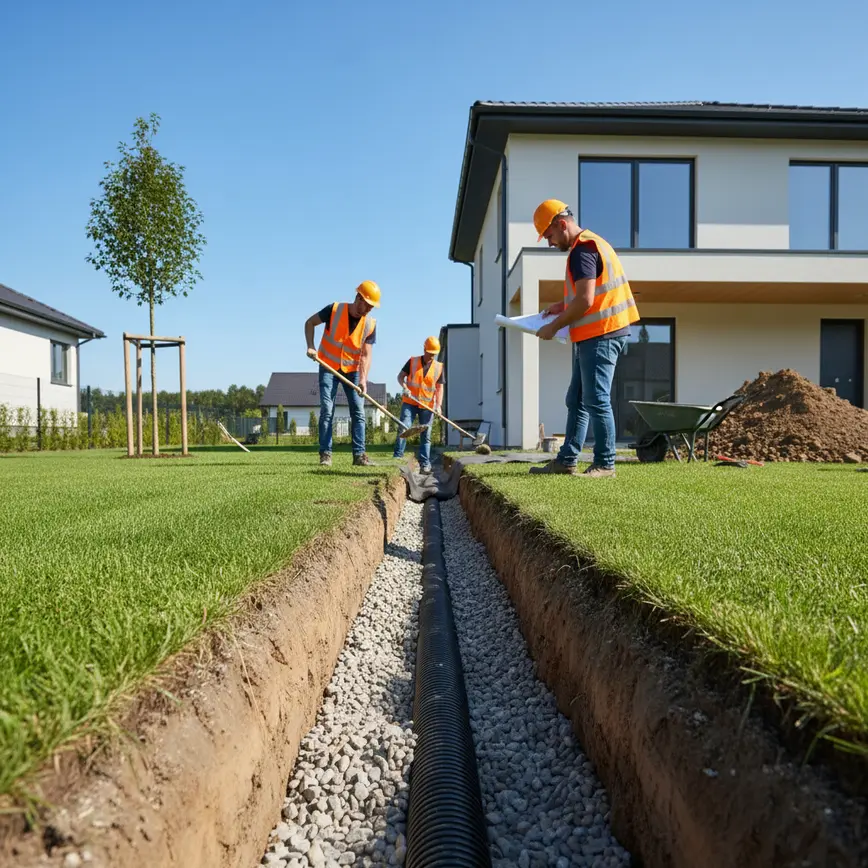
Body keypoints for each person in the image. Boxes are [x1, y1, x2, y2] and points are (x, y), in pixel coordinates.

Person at [531, 199, 640, 478]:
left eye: (549, 236)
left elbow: (585, 301)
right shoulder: (592, 244)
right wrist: (561, 306)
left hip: (602, 333)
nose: (549, 243)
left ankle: (605, 464)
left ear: (561, 224)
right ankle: (567, 460)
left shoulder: (582, 250)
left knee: (596, 399)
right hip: (599, 332)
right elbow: (586, 295)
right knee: (577, 399)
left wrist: (554, 326)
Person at [304, 281, 381, 467]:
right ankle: (325, 454)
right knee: (327, 409)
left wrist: (363, 379)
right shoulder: (334, 310)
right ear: (358, 298)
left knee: (358, 411)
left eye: (372, 307)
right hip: (328, 366)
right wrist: (311, 346)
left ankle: (359, 456)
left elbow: (366, 355)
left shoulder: (370, 324)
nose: (369, 310)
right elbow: (310, 323)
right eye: (367, 305)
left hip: (352, 371)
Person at [392, 336, 444, 473]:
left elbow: (439, 388)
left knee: (426, 434)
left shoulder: (439, 367)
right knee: (404, 427)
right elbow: (400, 377)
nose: (432, 356)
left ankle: (425, 464)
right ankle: (397, 457)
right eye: (430, 353)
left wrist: (438, 405)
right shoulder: (413, 361)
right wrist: (405, 387)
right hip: (410, 402)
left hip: (427, 406)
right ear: (424, 349)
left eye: (434, 354)